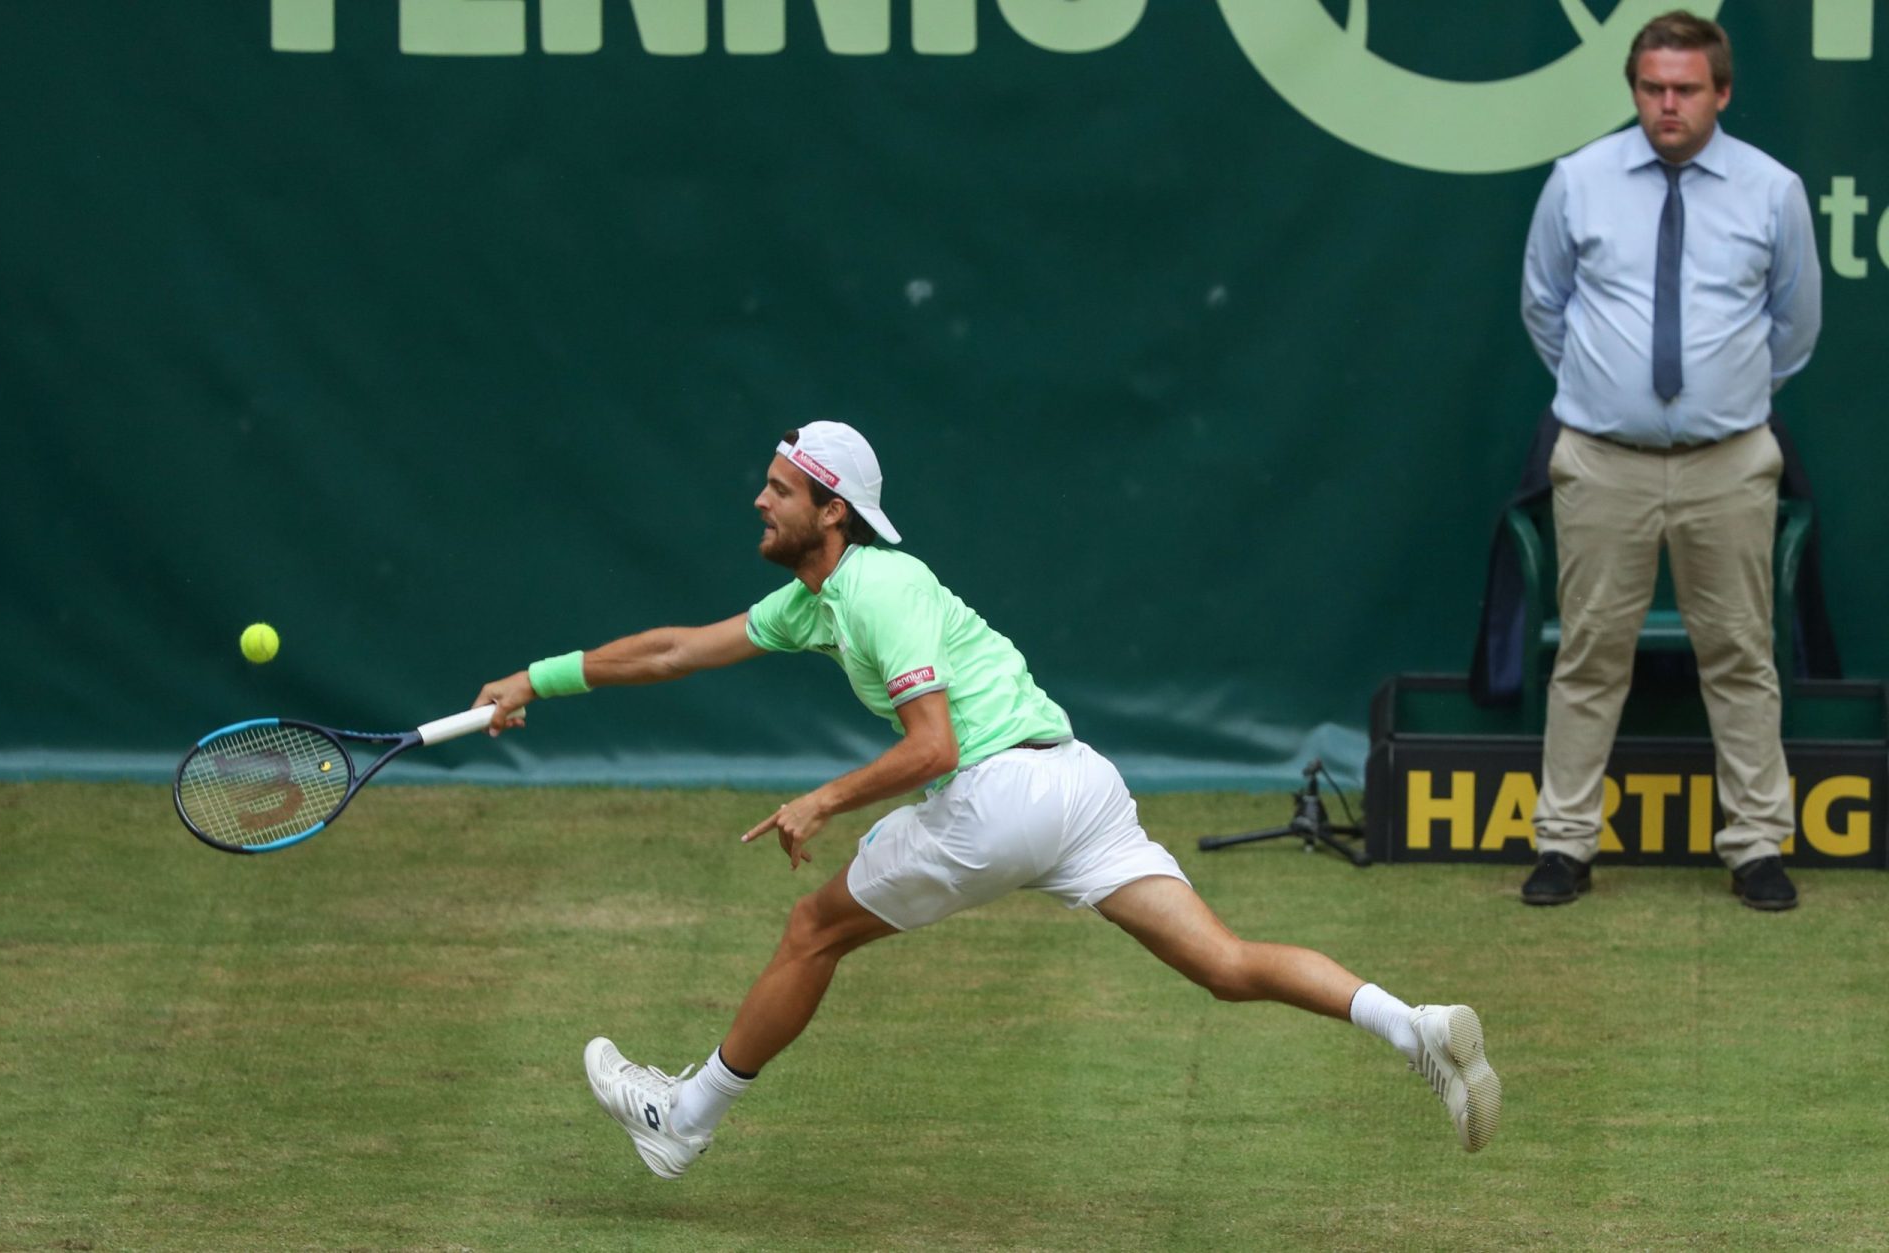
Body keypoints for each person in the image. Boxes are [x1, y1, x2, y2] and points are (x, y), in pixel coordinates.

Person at [472, 421, 1502, 1178]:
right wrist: (537, 676)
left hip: (1000, 792)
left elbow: (934, 745)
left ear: (830, 510)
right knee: (1225, 964)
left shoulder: (880, 590)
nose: (760, 500)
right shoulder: (810, 600)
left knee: (810, 930)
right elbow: (673, 649)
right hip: (1082, 785)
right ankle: (1414, 1029)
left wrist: (824, 798)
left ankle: (683, 1118)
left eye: (779, 489)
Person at [1518, 11, 1822, 910]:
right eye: (1652, 88)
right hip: (1602, 460)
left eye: (1686, 88)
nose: (1668, 105)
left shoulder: (1773, 190)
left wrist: (1718, 400)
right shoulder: (1578, 181)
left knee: (1740, 653)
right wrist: (1610, 395)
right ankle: (1565, 844)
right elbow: (1547, 307)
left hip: (1729, 461)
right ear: (1635, 91)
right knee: (1589, 655)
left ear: (1721, 92)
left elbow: (1794, 327)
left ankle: (1757, 845)